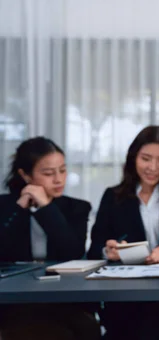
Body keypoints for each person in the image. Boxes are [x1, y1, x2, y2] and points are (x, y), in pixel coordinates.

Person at [88, 126, 159, 340]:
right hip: (126, 295)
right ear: (133, 157)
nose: (153, 167)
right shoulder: (113, 197)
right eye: (146, 158)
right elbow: (94, 248)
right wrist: (106, 250)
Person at [0, 137, 100, 340]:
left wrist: (46, 207)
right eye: (48, 173)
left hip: (63, 298)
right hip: (16, 301)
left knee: (83, 327)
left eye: (62, 170)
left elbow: (72, 251)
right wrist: (20, 208)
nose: (58, 179)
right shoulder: (6, 207)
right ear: (26, 175)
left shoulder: (77, 208)